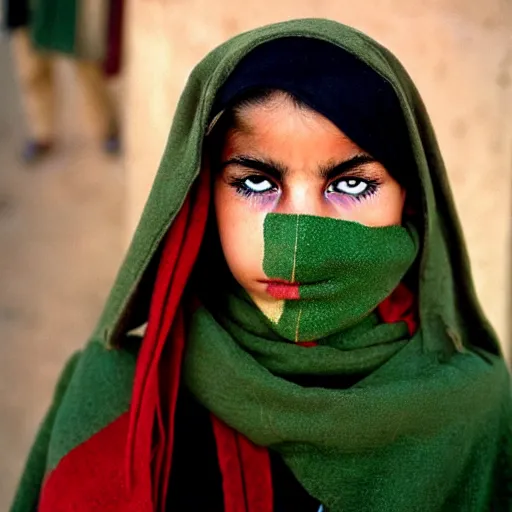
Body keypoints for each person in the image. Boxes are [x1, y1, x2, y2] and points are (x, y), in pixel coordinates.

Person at [10, 18, 511, 512]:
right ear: (201, 198)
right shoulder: (119, 398)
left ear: (412, 202)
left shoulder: (476, 413)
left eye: (351, 184)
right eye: (255, 183)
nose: (297, 240)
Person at [3, 0, 121, 162]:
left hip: (73, 6)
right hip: (26, 9)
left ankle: (108, 128)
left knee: (88, 66)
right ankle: (41, 134)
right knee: (32, 71)